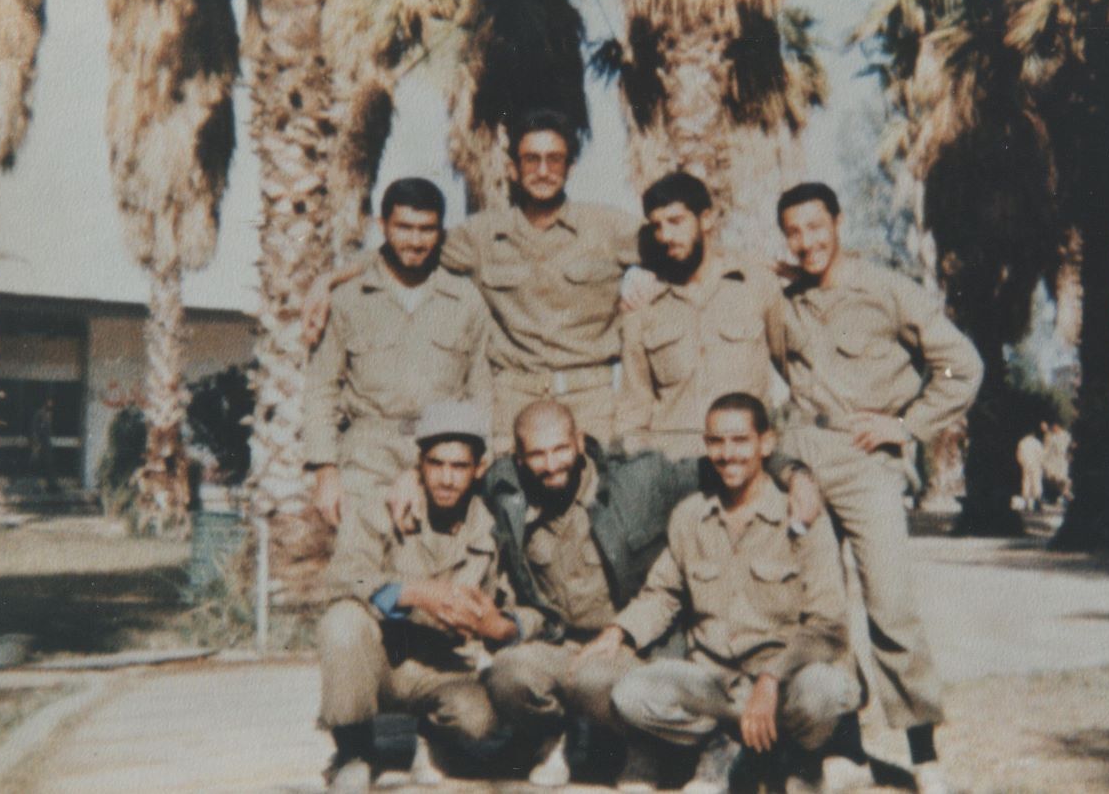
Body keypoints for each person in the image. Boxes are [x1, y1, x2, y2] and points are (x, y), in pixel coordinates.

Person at [386, 399, 824, 787]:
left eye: (561, 449)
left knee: (598, 681)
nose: (551, 464)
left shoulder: (638, 481)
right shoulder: (507, 487)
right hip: (557, 642)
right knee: (508, 673)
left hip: (629, 643)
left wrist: (795, 474)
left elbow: (723, 462)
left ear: (580, 442)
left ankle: (640, 747)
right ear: (519, 459)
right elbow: (454, 469)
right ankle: (549, 738)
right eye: (537, 454)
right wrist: (411, 477)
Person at [775, 183, 984, 794]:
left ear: (838, 222)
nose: (807, 242)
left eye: (816, 226)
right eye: (794, 231)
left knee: (890, 606)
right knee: (822, 608)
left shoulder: (887, 289)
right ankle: (846, 749)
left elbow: (962, 365)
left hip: (867, 459)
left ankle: (924, 754)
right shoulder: (783, 301)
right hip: (806, 457)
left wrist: (907, 426)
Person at [304, 109, 641, 453]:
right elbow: (410, 248)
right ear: (512, 168)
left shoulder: (608, 228)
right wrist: (329, 280)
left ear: (570, 166)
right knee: (504, 484)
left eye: (554, 159)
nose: (543, 170)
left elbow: (669, 248)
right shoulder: (481, 236)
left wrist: (647, 280)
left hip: (591, 401)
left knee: (598, 483)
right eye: (531, 159)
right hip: (511, 400)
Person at [585, 393, 861, 793]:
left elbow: (828, 624)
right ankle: (726, 744)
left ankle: (798, 756)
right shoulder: (690, 517)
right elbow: (662, 594)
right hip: (714, 686)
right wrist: (619, 631)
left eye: (740, 441)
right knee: (631, 694)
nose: (727, 454)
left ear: (766, 443)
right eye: (716, 442)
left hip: (783, 681)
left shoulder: (802, 517)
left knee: (826, 690)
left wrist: (772, 676)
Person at [318, 401, 536, 793]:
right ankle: (354, 750)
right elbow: (345, 576)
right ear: (419, 463)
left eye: (459, 467)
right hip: (382, 658)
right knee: (342, 622)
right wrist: (413, 593)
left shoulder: (493, 525)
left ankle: (431, 740)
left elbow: (522, 603)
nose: (447, 479)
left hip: (443, 665)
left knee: (478, 722)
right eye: (436, 464)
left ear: (479, 469)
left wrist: (500, 626)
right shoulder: (380, 507)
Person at [301, 177, 490, 529]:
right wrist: (325, 472)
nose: (415, 241)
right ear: (382, 225)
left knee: (436, 554)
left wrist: (477, 460)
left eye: (426, 229)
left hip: (441, 454)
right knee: (361, 553)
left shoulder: (466, 301)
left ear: (441, 232)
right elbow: (321, 389)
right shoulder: (349, 299)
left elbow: (480, 391)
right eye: (404, 227)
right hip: (367, 454)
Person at [618, 172, 788, 458]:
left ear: (706, 219)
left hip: (745, 463)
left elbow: (799, 372)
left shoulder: (756, 286)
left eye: (676, 221)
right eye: (657, 226)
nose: (665, 236)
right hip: (675, 466)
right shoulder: (644, 306)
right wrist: (640, 467)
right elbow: (634, 410)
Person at [1041, 421, 1074, 504]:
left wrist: (1070, 453)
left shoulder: (1066, 435)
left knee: (1063, 478)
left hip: (1062, 460)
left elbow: (1070, 445)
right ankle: (1063, 495)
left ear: (1058, 426)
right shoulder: (1051, 436)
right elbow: (1047, 449)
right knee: (1054, 478)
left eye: (1055, 426)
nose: (1054, 428)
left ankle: (1065, 494)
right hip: (1053, 460)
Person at [29, 397, 56, 492]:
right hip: (39, 443)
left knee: (48, 464)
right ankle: (36, 487)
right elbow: (34, 430)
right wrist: (36, 444)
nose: (51, 403)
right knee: (37, 465)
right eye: (49, 401)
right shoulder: (39, 414)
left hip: (46, 443)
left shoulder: (48, 414)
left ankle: (51, 485)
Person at [1016, 426, 1045, 512]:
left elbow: (1019, 455)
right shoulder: (1036, 442)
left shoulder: (1022, 442)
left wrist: (1022, 463)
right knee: (1036, 482)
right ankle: (1038, 502)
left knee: (1026, 482)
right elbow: (1041, 454)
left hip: (1026, 465)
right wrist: (1041, 464)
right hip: (1035, 465)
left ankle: (1026, 503)